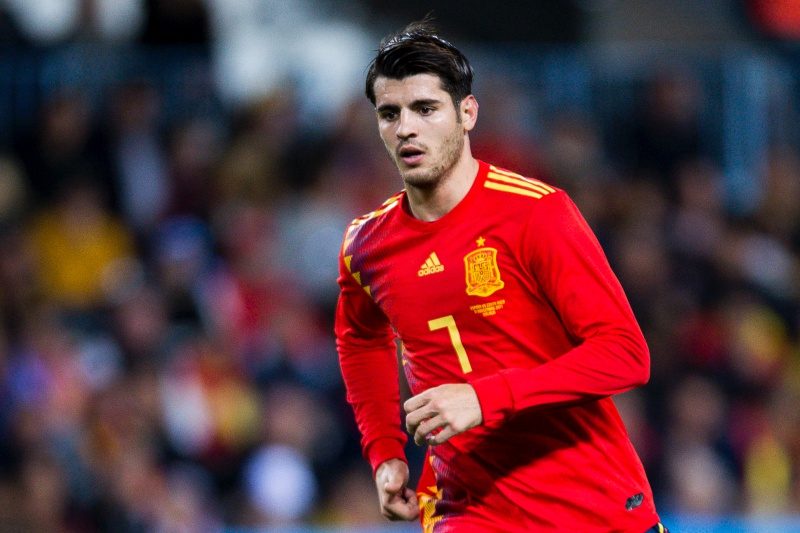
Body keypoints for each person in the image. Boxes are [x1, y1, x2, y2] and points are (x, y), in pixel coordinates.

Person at [334, 19, 668, 533]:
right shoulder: (366, 245)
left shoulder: (536, 213)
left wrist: (484, 398)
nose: (406, 129)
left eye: (425, 109)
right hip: (467, 508)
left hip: (590, 505)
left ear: (467, 113)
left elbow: (625, 354)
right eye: (389, 114)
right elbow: (359, 338)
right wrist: (384, 451)